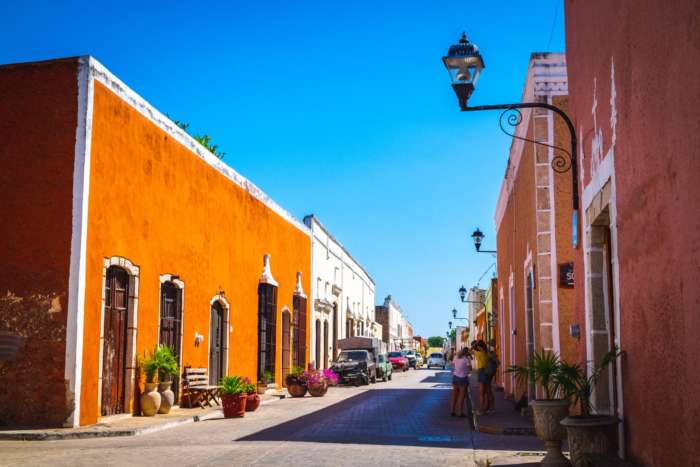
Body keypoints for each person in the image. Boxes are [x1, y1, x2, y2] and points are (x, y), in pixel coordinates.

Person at [450, 348, 471, 417]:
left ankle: (452, 411)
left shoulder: (456, 357)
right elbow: (470, 368)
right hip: (463, 378)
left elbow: (452, 364)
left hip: (455, 377)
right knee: (461, 396)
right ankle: (460, 412)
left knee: (454, 395)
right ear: (467, 352)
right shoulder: (466, 359)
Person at [473, 340, 489, 415]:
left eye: (478, 347)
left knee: (481, 393)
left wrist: (475, 344)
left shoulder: (478, 354)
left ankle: (481, 410)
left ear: (480, 347)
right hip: (486, 372)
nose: (478, 348)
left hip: (481, 372)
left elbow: (470, 350)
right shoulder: (486, 353)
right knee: (485, 392)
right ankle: (486, 408)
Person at [482, 342, 500, 414]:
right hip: (489, 373)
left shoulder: (491, 353)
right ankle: (488, 407)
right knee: (487, 390)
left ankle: (491, 408)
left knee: (488, 391)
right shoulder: (491, 353)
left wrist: (491, 359)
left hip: (488, 373)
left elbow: (498, 362)